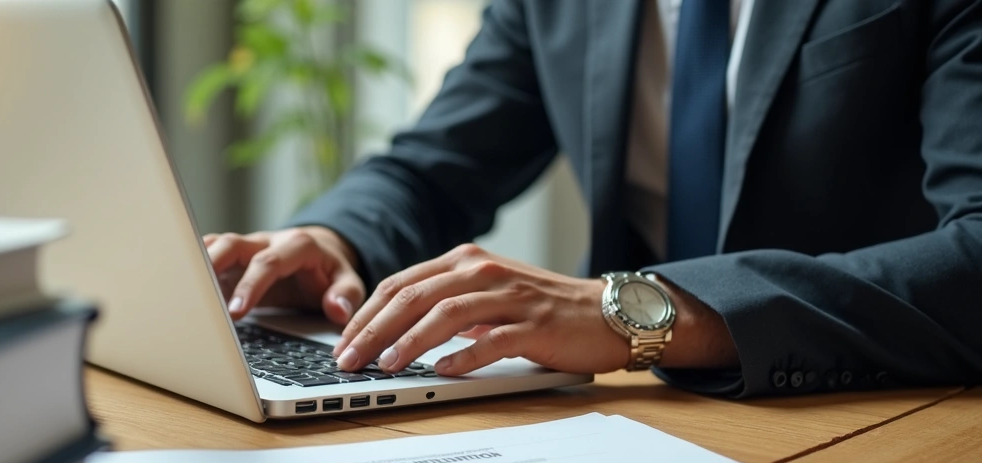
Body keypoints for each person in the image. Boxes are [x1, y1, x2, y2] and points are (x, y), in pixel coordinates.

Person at [205, 0, 982, 398]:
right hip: (632, 415)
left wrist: (634, 311)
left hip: (872, 408)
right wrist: (334, 238)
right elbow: (437, 166)